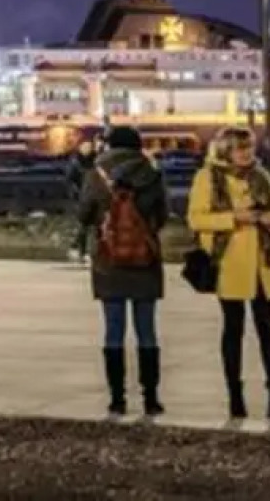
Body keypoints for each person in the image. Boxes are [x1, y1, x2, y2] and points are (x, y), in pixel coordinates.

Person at [188, 128, 270, 421]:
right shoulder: (208, 177)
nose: (246, 154)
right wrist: (235, 218)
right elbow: (196, 218)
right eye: (239, 148)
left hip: (263, 263)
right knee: (233, 329)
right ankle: (235, 397)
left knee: (267, 329)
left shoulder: (262, 176)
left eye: (249, 147)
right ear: (225, 151)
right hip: (229, 263)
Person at [77, 125, 167, 417]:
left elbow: (83, 214)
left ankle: (117, 399)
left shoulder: (96, 174)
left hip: (108, 260)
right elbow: (162, 216)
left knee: (113, 331)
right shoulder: (152, 173)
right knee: (147, 331)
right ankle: (151, 398)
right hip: (145, 260)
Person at [65, 139, 98, 263]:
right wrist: (76, 194)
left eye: (89, 146)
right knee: (83, 224)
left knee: (91, 225)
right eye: (85, 146)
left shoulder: (95, 161)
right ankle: (78, 249)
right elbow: (70, 180)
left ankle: (83, 250)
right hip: (80, 197)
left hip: (92, 196)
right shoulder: (75, 162)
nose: (87, 149)